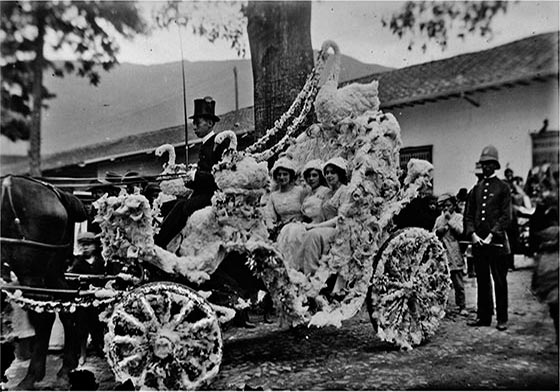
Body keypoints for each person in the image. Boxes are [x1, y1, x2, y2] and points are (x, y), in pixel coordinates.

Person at [155, 97, 229, 248]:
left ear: (210, 123)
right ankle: (169, 246)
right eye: (193, 123)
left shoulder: (220, 142)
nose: (194, 126)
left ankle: (159, 245)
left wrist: (196, 175)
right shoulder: (204, 145)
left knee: (181, 207)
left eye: (197, 122)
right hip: (201, 193)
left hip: (214, 195)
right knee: (166, 206)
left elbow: (222, 177)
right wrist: (189, 180)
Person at [464, 145, 512, 331]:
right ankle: (483, 317)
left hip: (496, 243)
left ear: (495, 165)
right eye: (483, 164)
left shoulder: (503, 188)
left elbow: (506, 217)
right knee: (482, 280)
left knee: (499, 280)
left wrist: (493, 234)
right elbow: (469, 216)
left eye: (489, 164)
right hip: (479, 243)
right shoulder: (475, 189)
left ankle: (502, 318)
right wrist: (473, 235)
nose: (486, 167)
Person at [298, 157, 351, 278]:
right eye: (326, 173)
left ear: (340, 174)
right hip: (326, 227)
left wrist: (315, 226)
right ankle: (302, 271)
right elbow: (321, 216)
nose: (329, 175)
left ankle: (312, 275)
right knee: (303, 233)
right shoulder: (327, 193)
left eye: (332, 172)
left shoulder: (345, 191)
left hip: (341, 229)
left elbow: (340, 218)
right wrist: (310, 224)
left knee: (314, 235)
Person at [275, 159, 330, 271]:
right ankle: (286, 267)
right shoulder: (308, 194)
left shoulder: (325, 192)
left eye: (314, 175)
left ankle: (298, 269)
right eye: (309, 176)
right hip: (308, 223)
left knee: (295, 232)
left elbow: (327, 211)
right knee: (288, 230)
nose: (311, 178)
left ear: (320, 176)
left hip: (321, 225)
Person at [68, 232, 106, 364]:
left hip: (97, 300)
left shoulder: (100, 261)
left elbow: (104, 279)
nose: (85, 248)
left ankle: (99, 348)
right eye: (82, 245)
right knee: (82, 327)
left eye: (88, 245)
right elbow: (72, 279)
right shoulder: (78, 263)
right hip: (83, 300)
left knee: (97, 326)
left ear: (94, 246)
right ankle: (82, 353)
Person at [433, 193, 468, 316]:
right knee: (441, 281)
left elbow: (461, 231)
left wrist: (450, 221)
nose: (445, 209)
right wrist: (439, 231)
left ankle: (462, 305)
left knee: (458, 282)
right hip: (442, 253)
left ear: (454, 205)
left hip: (454, 252)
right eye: (443, 206)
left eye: (448, 205)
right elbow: (433, 234)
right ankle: (441, 306)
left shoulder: (458, 217)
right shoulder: (439, 219)